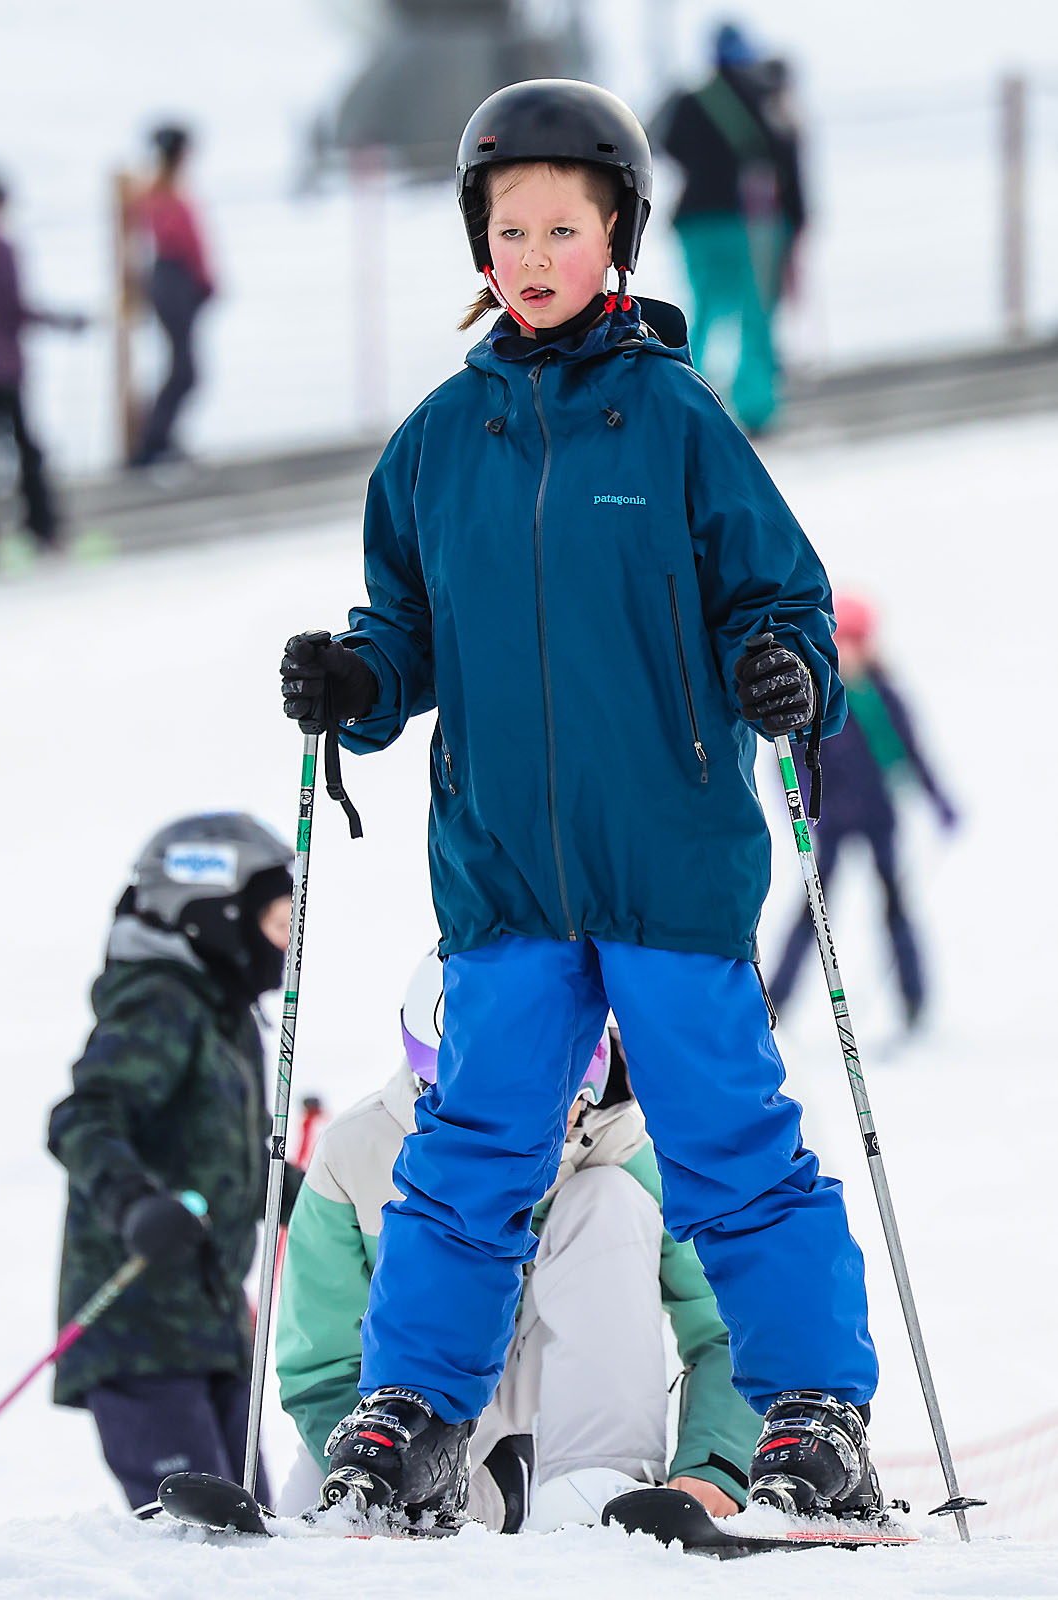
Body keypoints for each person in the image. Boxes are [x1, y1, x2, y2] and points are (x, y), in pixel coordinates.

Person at [279, 78, 881, 1533]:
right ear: (478, 249)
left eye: (563, 225)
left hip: (667, 860)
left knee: (722, 1134)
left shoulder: (672, 420)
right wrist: (356, 681)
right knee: (470, 1146)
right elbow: (405, 632)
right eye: (508, 229)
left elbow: (780, 601)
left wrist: (782, 669)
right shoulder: (432, 446)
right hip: (501, 876)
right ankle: (414, 1406)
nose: (534, 253)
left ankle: (811, 1407)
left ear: (616, 234)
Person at [275, 951, 761, 1530]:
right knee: (321, 1517)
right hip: (407, 1414)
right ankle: (441, 1493)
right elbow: (322, 1362)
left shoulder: (634, 1153)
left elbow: (723, 1324)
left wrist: (712, 1463)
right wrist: (364, 1465)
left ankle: (597, 1485)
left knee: (606, 1200)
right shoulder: (358, 1153)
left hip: (556, 1403)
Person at [47, 813, 303, 1511]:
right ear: (216, 916)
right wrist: (135, 1203)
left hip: (214, 1323)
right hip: (142, 1324)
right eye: (278, 925)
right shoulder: (160, 1001)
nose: (286, 948)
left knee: (249, 1533)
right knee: (199, 1541)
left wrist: (293, 1193)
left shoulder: (225, 1016)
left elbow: (216, 1157)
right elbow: (84, 1117)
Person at [767, 594, 959, 1029]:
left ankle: (914, 1002)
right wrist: (801, 812)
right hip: (832, 822)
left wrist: (939, 801)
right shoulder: (817, 696)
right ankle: (775, 1000)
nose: (851, 651)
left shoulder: (883, 696)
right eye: (843, 641)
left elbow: (910, 753)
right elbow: (794, 761)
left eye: (858, 640)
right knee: (813, 911)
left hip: (878, 818)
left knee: (895, 907)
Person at [655, 24, 806, 435]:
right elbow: (784, 157)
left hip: (694, 222)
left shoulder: (690, 100)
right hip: (749, 224)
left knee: (704, 311)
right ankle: (756, 407)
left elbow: (666, 144)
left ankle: (688, 400)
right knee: (755, 313)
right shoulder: (763, 98)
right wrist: (799, 221)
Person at [0, 169, 86, 558]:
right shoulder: (2, 250)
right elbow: (17, 309)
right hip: (2, 370)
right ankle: (43, 532)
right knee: (27, 451)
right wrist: (64, 321)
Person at [125, 125, 215, 469]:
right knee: (184, 368)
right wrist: (203, 279)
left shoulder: (165, 192)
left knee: (183, 367)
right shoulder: (161, 194)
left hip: (178, 281)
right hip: (173, 279)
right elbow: (181, 243)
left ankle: (160, 439)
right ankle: (152, 442)